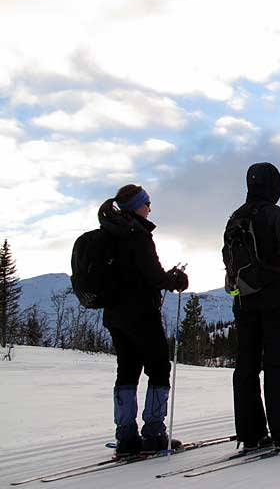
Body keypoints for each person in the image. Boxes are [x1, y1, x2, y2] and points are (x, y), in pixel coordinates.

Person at [98, 184, 189, 457]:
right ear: (137, 205)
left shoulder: (110, 232)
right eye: (147, 202)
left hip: (115, 314)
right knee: (159, 368)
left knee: (126, 370)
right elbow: (153, 275)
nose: (150, 208)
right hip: (141, 312)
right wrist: (174, 280)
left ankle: (126, 436)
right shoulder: (137, 234)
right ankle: (153, 433)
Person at [226, 163, 280, 451]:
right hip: (274, 294)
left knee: (246, 365)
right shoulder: (275, 213)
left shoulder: (236, 216)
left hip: (243, 297)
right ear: (273, 185)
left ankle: (250, 433)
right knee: (276, 363)